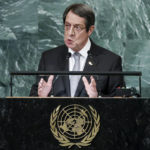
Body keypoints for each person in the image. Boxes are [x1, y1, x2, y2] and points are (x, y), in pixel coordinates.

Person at [30, 3, 124, 97]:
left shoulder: (110, 61)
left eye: (77, 27)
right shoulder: (49, 58)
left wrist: (98, 98)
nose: (70, 33)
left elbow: (121, 104)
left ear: (90, 30)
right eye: (67, 26)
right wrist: (41, 97)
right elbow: (32, 99)